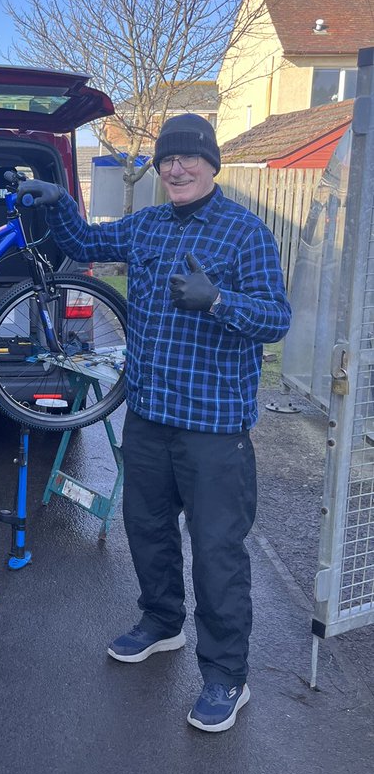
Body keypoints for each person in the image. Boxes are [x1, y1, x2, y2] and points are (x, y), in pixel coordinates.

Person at [19, 114, 291, 733]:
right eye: (168, 160)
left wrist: (219, 301)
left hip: (214, 429)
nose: (176, 169)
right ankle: (161, 622)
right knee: (146, 528)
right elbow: (87, 245)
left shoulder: (245, 234)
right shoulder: (146, 226)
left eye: (189, 159)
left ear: (211, 164)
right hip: (148, 417)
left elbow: (277, 319)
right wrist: (61, 198)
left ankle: (226, 676)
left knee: (218, 552)